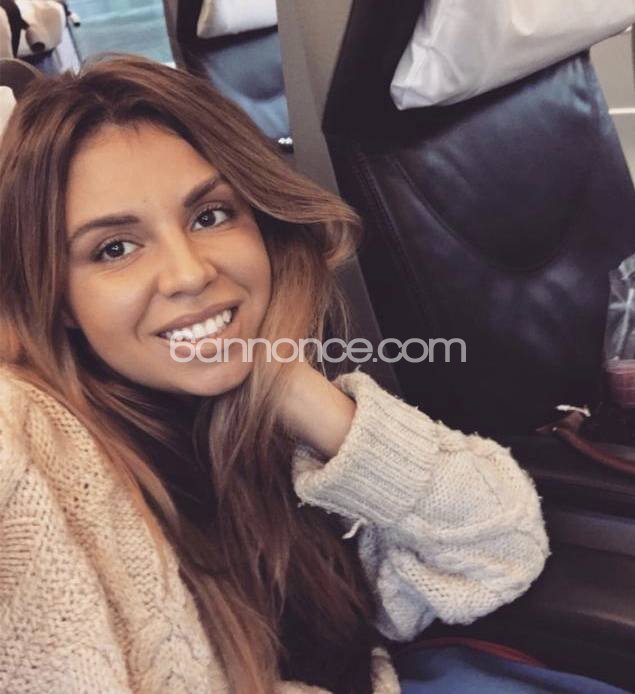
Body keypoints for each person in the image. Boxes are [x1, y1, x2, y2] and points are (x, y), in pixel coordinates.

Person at [0, 55, 550, 694]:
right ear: (55, 296)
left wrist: (289, 383)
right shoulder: (24, 440)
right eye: (114, 248)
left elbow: (501, 549)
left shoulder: (268, 421)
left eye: (210, 216)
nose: (189, 274)